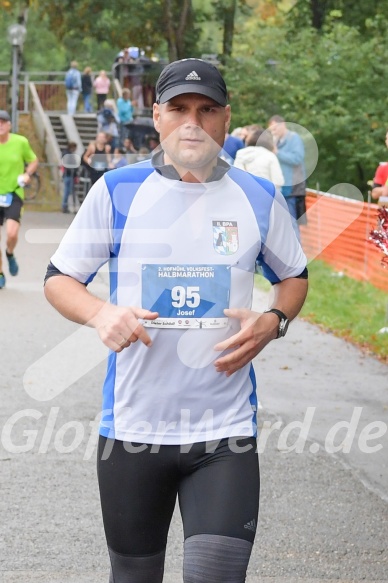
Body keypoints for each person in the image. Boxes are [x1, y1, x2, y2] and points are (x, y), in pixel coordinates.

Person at [44, 58, 308, 583]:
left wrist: (274, 319)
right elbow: (59, 278)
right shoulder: (117, 190)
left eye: (207, 110)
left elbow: (294, 277)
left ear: (226, 119)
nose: (194, 122)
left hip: (224, 434)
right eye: (180, 109)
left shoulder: (258, 197)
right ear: (157, 116)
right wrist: (101, 312)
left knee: (216, 576)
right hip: (133, 431)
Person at [0, 110, 38, 288]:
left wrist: (27, 174)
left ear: (9, 125)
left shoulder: (20, 142)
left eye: (3, 122)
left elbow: (33, 160)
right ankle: (0, 273)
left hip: (14, 193)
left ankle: (9, 253)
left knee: (11, 233)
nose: (0, 125)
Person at [268, 115, 307, 228]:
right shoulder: (277, 141)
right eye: (271, 130)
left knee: (292, 223)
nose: (273, 132)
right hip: (282, 187)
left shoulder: (294, 139)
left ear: (283, 125)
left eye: (275, 129)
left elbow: (297, 158)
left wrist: (277, 153)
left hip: (293, 188)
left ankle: (296, 245)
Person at [61, 141, 78, 213]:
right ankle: (66, 206)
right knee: (68, 191)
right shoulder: (69, 155)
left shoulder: (65, 154)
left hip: (68, 174)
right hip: (69, 174)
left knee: (68, 191)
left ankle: (66, 206)